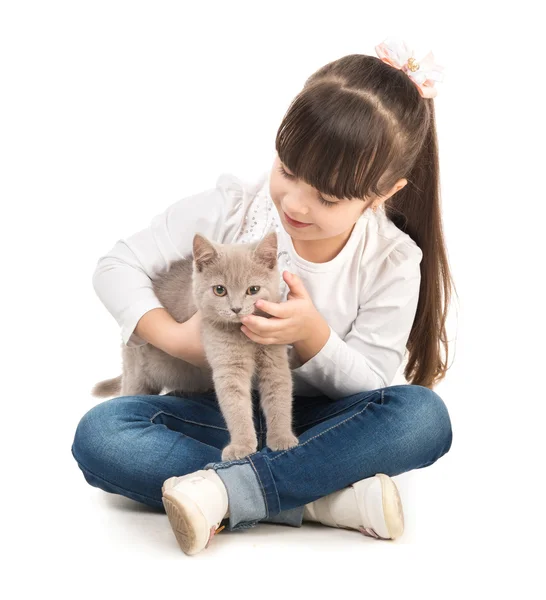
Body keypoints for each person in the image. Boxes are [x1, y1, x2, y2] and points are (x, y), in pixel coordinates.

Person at [71, 37, 454, 555]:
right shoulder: (231, 210)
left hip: (319, 422)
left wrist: (313, 336)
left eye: (327, 196)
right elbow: (115, 266)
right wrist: (180, 341)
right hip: (218, 413)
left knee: (422, 417)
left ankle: (225, 492)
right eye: (288, 172)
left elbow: (369, 383)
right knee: (104, 434)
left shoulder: (393, 261)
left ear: (383, 193)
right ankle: (322, 500)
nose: (295, 202)